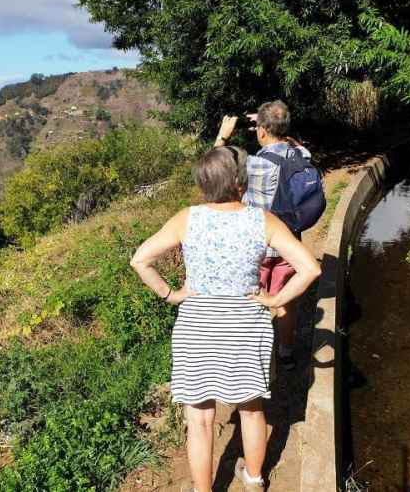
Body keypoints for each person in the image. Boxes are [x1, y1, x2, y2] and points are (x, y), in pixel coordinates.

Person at [130, 146, 321, 492]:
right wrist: (275, 299)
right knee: (251, 410)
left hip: (197, 326)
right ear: (239, 182)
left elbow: (140, 260)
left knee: (200, 420)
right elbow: (310, 268)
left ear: (204, 182)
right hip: (246, 326)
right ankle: (253, 479)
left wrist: (171, 295)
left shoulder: (187, 218)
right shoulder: (262, 220)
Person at [214, 101, 313, 370]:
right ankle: (286, 352)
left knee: (249, 300)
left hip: (256, 246)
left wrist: (224, 136)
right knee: (285, 303)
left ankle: (247, 359)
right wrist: (272, 126)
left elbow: (214, 170)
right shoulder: (302, 154)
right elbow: (289, 142)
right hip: (288, 244)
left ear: (261, 131)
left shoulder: (254, 164)